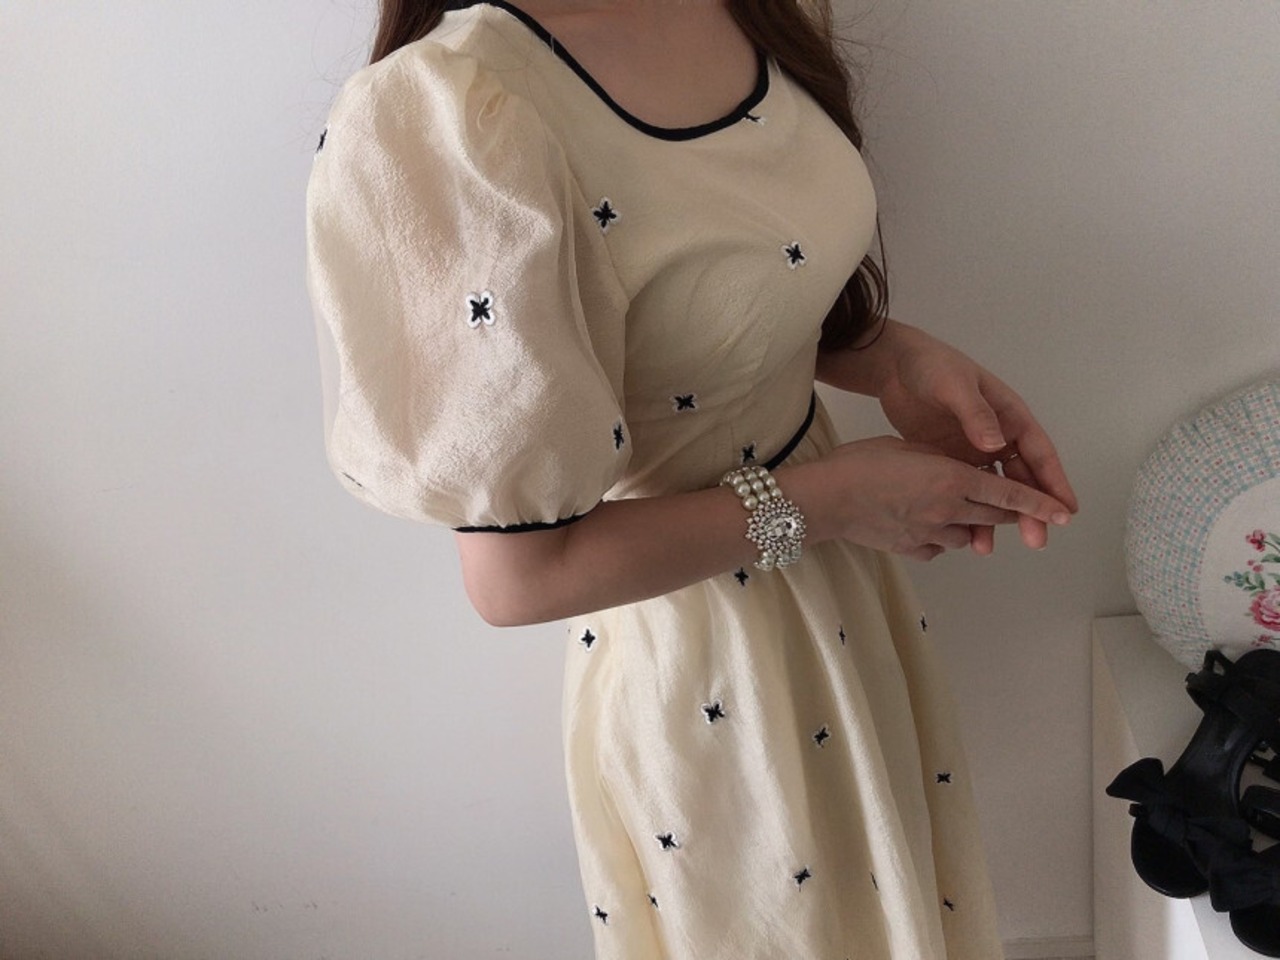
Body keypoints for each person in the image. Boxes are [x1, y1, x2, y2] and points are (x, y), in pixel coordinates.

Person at [305, 1, 1079, 957]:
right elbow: (519, 580)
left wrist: (887, 357)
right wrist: (832, 502)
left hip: (846, 590)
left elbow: (710, 302)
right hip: (705, 663)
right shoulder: (457, 114)